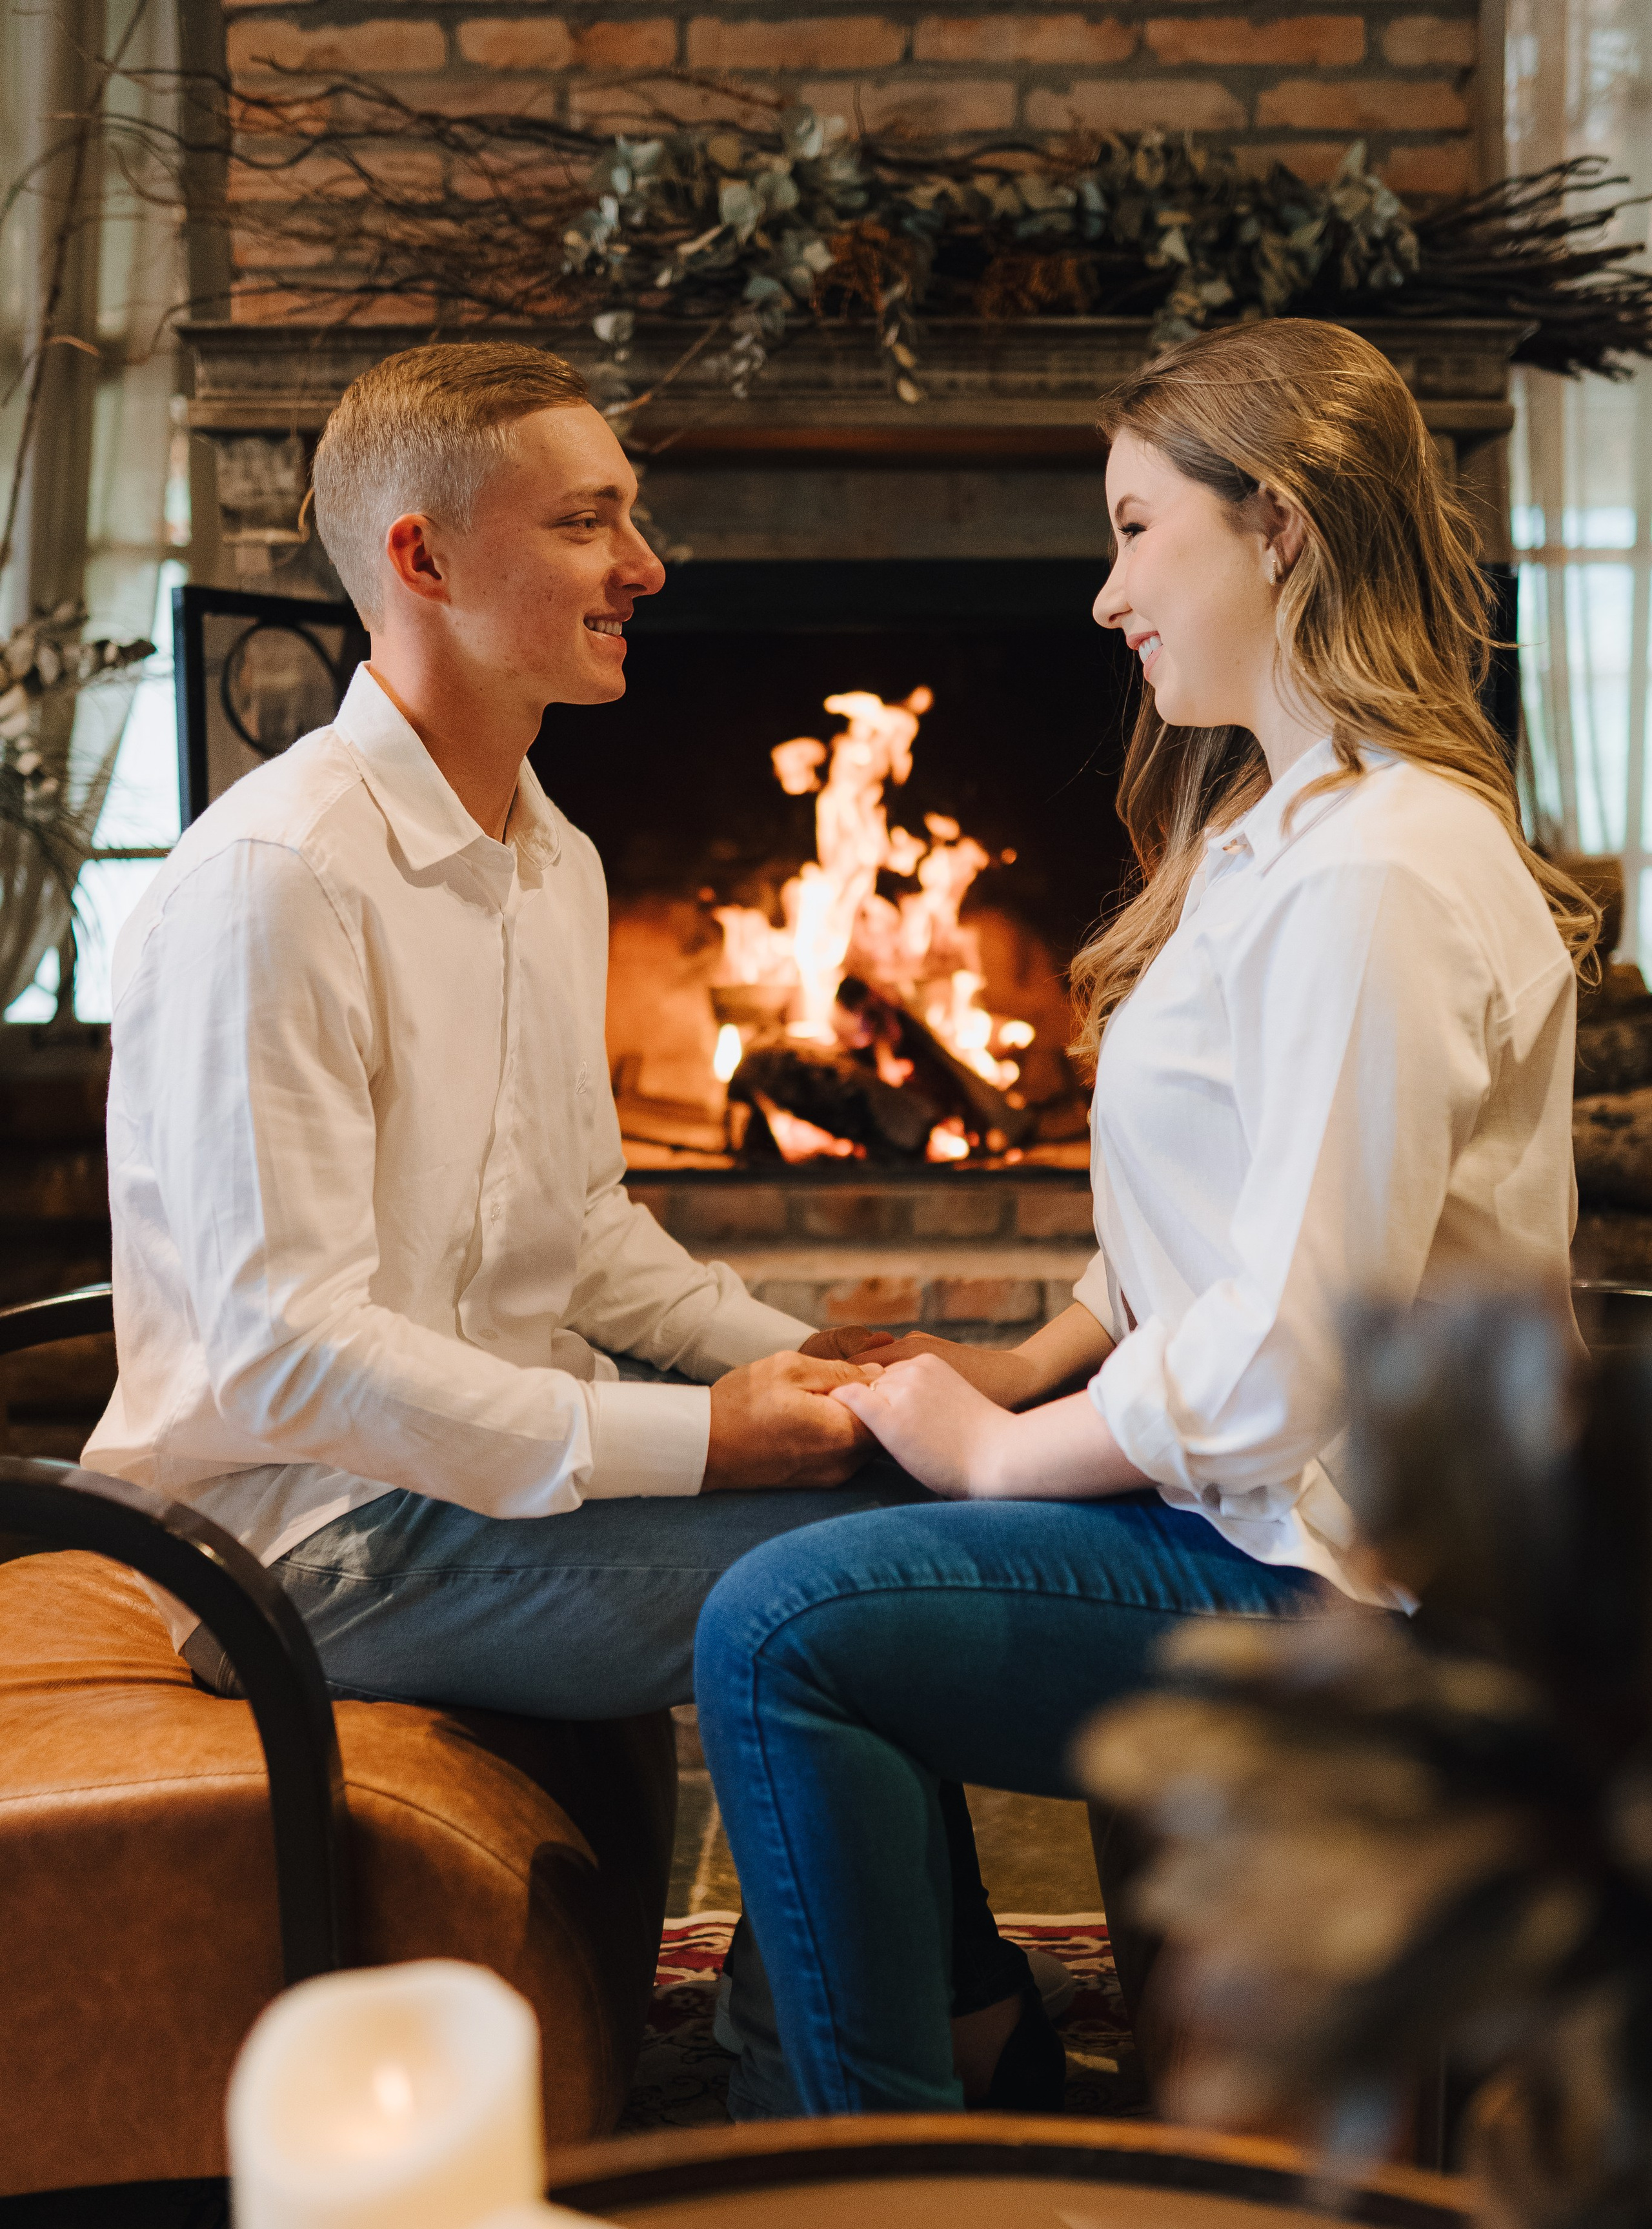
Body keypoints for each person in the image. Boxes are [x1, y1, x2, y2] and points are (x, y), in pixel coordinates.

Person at [81, 339, 1039, 2110]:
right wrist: (700, 1439)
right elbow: (286, 1355)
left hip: (474, 1480)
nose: (646, 567)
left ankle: (920, 2030)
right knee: (849, 1597)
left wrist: (816, 1365)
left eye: (632, 519)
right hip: (306, 1541)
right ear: (425, 558)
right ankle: (849, 2103)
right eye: (589, 522)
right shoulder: (275, 882)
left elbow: (581, 1229)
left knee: (897, 1507)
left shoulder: (553, 855)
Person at [691, 316, 1600, 2119]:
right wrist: (1031, 1361)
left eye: (1131, 528)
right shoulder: (1280, 837)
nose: (1108, 598)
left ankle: (868, 2179)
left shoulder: (1379, 875)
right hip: (1265, 1513)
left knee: (778, 1631)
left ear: (1279, 525)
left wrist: (997, 1458)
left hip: (1360, 1580)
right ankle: (963, 2038)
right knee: (842, 1515)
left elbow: (1294, 1348)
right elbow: (1218, 1210)